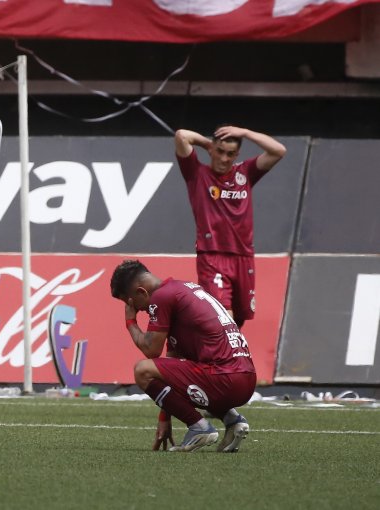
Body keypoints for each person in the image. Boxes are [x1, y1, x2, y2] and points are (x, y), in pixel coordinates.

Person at [110, 259, 255, 453]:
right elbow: (170, 366)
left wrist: (130, 321)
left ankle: (200, 428)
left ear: (141, 292)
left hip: (224, 379)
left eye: (133, 304)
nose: (139, 310)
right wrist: (165, 418)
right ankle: (232, 421)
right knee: (178, 369)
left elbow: (151, 351)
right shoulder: (183, 290)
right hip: (245, 378)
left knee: (142, 370)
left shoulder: (161, 297)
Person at [174, 125, 286, 329]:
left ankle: (221, 357)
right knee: (223, 320)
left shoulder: (245, 173)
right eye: (220, 151)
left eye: (230, 154)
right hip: (213, 256)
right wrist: (207, 143)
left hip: (243, 256)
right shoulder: (196, 173)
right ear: (212, 150)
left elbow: (278, 151)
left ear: (237, 154)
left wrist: (245, 133)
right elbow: (182, 136)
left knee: (238, 322)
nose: (224, 159)